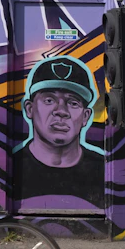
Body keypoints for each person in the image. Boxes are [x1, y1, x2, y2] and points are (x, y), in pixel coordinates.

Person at [15, 56, 103, 204]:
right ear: (29, 109)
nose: (61, 111)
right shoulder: (11, 167)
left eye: (73, 103)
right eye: (49, 100)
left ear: (85, 116)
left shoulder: (104, 171)